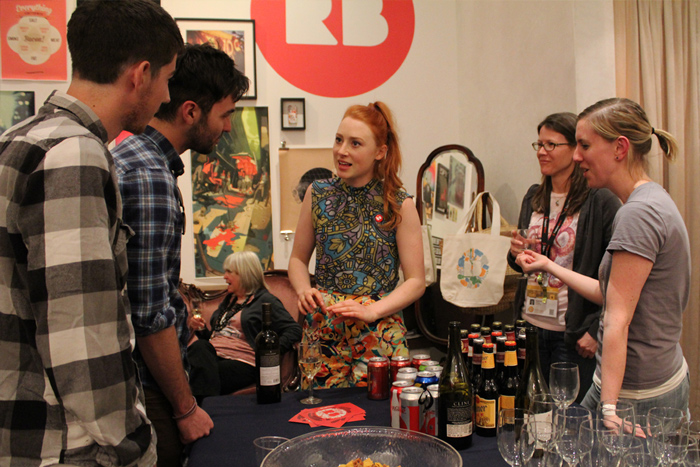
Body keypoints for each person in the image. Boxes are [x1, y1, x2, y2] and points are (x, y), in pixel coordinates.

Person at [0, 1, 182, 465]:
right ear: (141, 74)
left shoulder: (18, 138)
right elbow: (81, 335)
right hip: (68, 444)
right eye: (166, 78)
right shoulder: (74, 153)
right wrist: (130, 444)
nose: (165, 96)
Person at [112, 43, 249, 466]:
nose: (228, 127)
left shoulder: (137, 159)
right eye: (225, 114)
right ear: (191, 111)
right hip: (147, 387)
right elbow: (150, 316)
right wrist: (186, 409)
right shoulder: (149, 175)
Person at [517, 98, 691, 419]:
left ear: (620, 148)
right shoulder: (651, 199)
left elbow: (617, 319)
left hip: (635, 391)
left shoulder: (637, 213)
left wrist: (608, 407)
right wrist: (548, 264)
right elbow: (610, 293)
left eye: (584, 145)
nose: (577, 156)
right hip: (647, 378)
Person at [288, 102, 425, 388]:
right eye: (339, 139)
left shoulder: (399, 204)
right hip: (325, 329)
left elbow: (416, 282)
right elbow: (298, 260)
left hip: (380, 332)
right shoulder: (317, 193)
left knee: (379, 413)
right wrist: (303, 290)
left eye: (355, 143)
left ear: (380, 152)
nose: (342, 150)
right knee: (321, 411)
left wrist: (373, 310)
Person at [507, 112, 621, 401]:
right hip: (530, 325)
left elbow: (616, 277)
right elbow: (524, 262)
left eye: (551, 145)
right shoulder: (533, 196)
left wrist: (595, 329)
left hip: (572, 334)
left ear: (575, 150)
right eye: (539, 144)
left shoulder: (600, 200)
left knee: (570, 416)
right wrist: (515, 253)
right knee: (532, 411)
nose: (542, 152)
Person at [187, 251, 302, 397]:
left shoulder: (265, 300)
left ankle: (202, 406)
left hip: (243, 362)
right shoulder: (229, 301)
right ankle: (209, 405)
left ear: (244, 274)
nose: (224, 276)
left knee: (196, 374)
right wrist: (201, 329)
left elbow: (294, 329)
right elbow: (215, 336)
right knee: (199, 349)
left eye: (229, 272)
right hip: (213, 357)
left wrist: (270, 349)